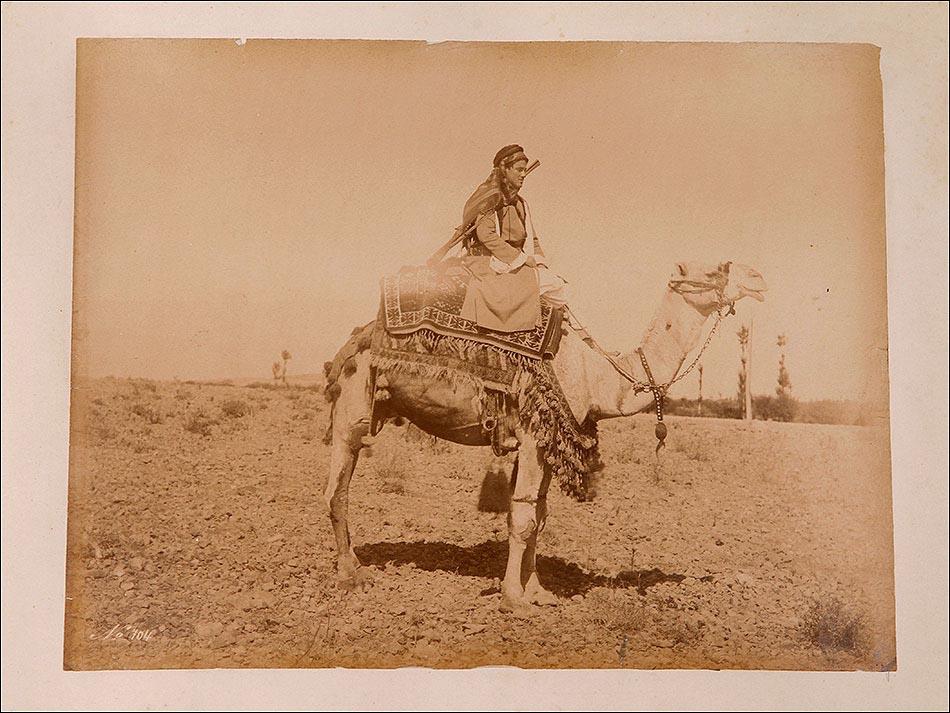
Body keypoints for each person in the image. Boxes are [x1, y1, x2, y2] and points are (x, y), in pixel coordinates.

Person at [456, 144, 585, 338]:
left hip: (511, 262)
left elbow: (532, 239)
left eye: (525, 170)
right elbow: (487, 236)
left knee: (557, 284)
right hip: (486, 263)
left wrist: (540, 262)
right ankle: (585, 339)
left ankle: (580, 340)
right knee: (560, 289)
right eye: (519, 170)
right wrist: (522, 260)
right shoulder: (489, 198)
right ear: (504, 170)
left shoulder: (520, 204)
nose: (523, 175)